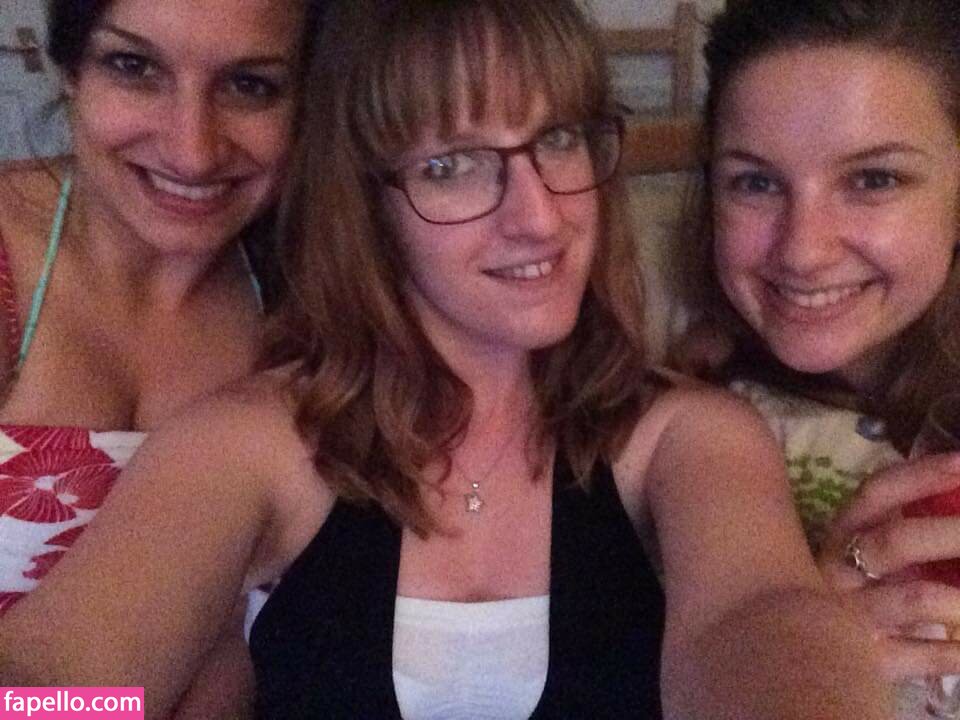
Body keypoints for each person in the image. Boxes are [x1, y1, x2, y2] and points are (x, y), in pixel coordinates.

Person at [0, 0, 891, 718]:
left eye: (557, 140)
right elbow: (74, 678)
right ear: (367, 205)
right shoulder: (248, 443)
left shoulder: (690, 436)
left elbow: (759, 620)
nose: (539, 217)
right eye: (453, 166)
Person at [0, 0, 324, 715]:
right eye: (134, 66)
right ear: (69, 69)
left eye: (250, 85)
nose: (192, 150)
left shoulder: (322, 310)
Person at [670, 0, 960, 714]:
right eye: (757, 183)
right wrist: (803, 644)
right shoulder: (681, 420)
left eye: (874, 179)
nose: (802, 250)